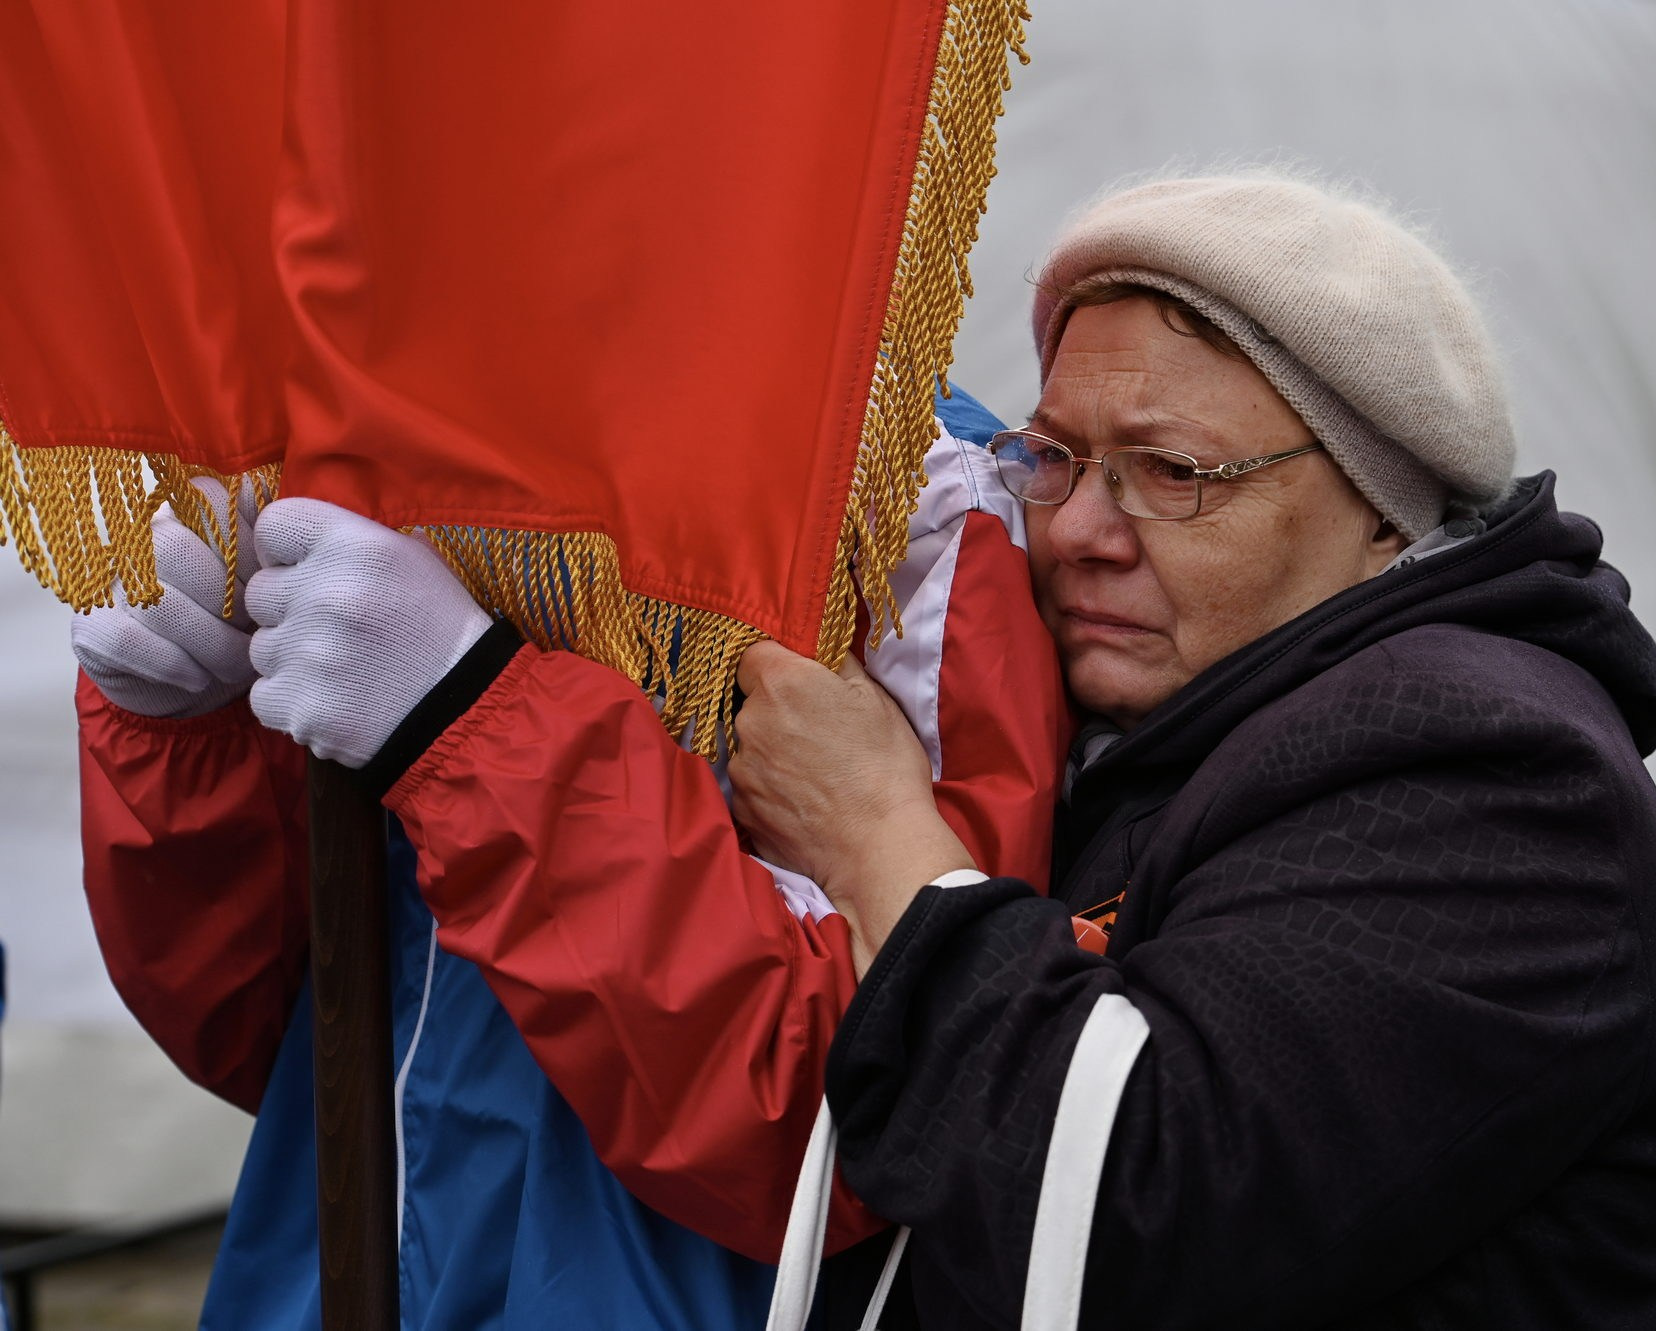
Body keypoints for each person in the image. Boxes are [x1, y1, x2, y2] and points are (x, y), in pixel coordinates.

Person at [727, 172, 1656, 1329]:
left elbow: (1131, 1211)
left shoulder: (1493, 771)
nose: (1073, 530)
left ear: (1381, 506)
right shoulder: (1173, 715)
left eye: (1173, 473)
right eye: (1055, 456)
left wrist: (872, 829)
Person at [67, 385, 1065, 1327]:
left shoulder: (900, 480)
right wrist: (182, 734)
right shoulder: (366, 420)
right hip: (322, 1271)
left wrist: (466, 723)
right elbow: (259, 1028)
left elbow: (857, 1115)